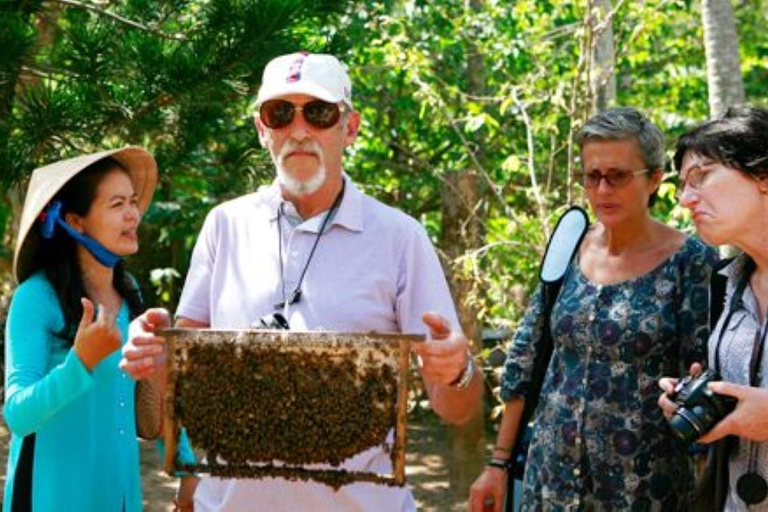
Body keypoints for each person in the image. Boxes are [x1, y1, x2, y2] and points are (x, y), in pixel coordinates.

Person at [119, 51, 482, 512]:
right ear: (261, 130)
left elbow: (458, 407)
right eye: (280, 113)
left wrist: (458, 370)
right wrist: (152, 351)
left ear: (349, 128)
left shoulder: (400, 238)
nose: (299, 129)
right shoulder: (223, 225)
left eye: (319, 112)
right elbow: (180, 381)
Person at [469, 107, 719, 511]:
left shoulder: (692, 261)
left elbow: (702, 386)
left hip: (645, 490)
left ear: (654, 179)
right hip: (550, 483)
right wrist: (498, 463)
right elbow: (525, 359)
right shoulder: (569, 245)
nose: (603, 190)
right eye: (592, 176)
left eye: (618, 176)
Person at [3, 148, 158, 511]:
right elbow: (18, 415)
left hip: (121, 499)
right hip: (51, 498)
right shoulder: (36, 298)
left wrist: (184, 470)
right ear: (75, 222)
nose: (133, 214)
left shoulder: (130, 291)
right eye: (117, 203)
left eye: (133, 202)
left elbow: (146, 406)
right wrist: (80, 363)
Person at [658, 106, 768, 511]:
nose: (686, 199)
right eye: (683, 185)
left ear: (762, 175)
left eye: (701, 177)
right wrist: (702, 398)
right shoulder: (727, 280)